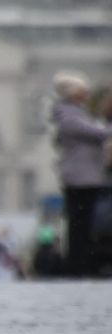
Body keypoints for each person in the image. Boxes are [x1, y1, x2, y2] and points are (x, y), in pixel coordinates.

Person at [51, 71, 110, 276]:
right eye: (83, 92)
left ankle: (79, 264)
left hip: (86, 176)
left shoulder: (75, 113)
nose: (87, 95)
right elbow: (98, 133)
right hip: (81, 178)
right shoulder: (70, 116)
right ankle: (77, 266)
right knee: (79, 225)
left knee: (81, 224)